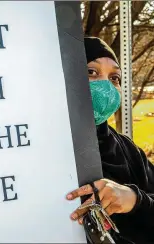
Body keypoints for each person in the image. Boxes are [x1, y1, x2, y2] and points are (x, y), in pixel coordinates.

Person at [66, 37, 154, 243]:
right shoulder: (35, 148)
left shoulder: (125, 148)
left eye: (115, 77)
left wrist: (134, 199)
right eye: (91, 72)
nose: (106, 85)